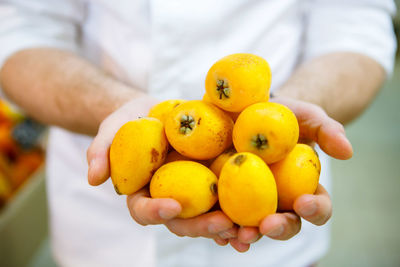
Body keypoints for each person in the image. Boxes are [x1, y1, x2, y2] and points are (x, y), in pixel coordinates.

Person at [0, 0, 396, 266]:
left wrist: (287, 109)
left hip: (278, 206)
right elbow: (21, 30)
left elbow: (357, 25)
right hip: (105, 232)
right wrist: (120, 109)